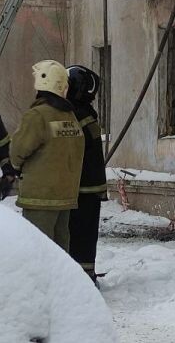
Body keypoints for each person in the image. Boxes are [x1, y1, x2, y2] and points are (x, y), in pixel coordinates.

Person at [7, 60, 84, 250]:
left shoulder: (37, 115)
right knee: (60, 248)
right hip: (65, 195)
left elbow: (18, 150)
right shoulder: (70, 116)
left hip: (40, 197)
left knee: (39, 249)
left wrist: (15, 167)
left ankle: (42, 282)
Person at [65, 65, 107, 282]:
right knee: (86, 234)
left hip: (82, 187)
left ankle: (83, 278)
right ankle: (85, 274)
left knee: (80, 233)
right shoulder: (85, 113)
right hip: (89, 186)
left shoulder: (75, 115)